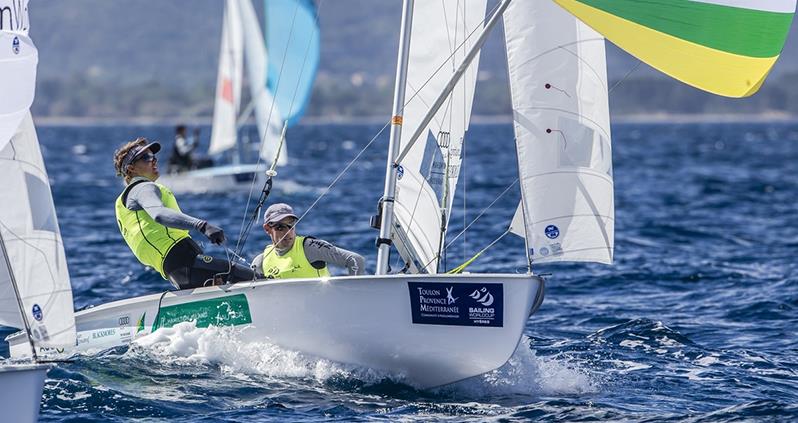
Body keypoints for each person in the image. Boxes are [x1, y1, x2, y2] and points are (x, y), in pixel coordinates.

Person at [113, 137, 255, 289]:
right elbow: (159, 214)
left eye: (154, 157)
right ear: (131, 169)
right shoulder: (143, 188)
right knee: (255, 279)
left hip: (175, 271)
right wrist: (202, 225)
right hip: (185, 261)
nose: (154, 161)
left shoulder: (121, 202)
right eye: (146, 158)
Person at [251, 203, 366, 279]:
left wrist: (353, 293)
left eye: (291, 226)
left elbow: (355, 260)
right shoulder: (261, 261)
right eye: (280, 227)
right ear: (267, 229)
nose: (288, 232)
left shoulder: (310, 247)